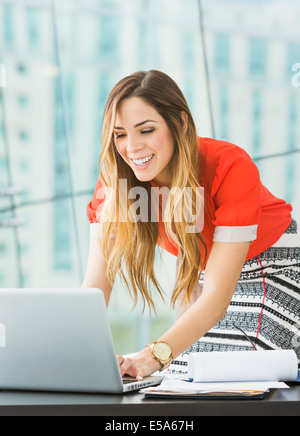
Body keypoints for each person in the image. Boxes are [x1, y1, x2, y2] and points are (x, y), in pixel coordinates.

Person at [82, 70, 300, 380]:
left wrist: (152, 355)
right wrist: (75, 354)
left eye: (145, 130)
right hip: (206, 276)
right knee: (183, 376)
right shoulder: (116, 186)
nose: (131, 147)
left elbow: (215, 299)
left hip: (274, 268)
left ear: (180, 123)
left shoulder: (229, 167)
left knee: (229, 373)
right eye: (119, 134)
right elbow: (95, 287)